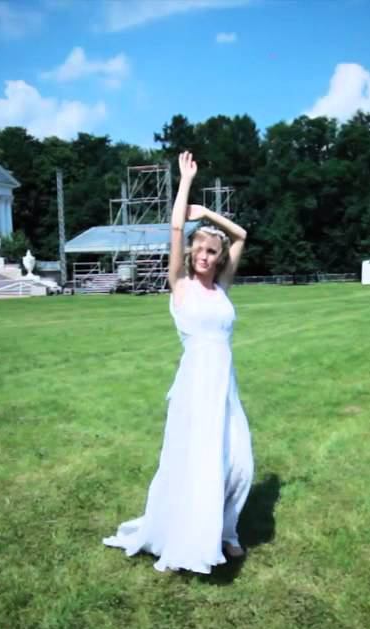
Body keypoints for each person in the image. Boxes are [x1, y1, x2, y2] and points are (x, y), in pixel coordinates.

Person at [103, 151, 254, 573]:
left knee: (240, 462)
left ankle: (227, 530)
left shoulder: (221, 287)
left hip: (225, 387)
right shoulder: (180, 285)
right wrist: (185, 183)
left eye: (212, 251)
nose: (205, 255)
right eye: (200, 249)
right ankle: (202, 535)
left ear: (219, 258)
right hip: (195, 387)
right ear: (191, 252)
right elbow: (174, 227)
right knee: (199, 462)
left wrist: (207, 214)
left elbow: (241, 235)